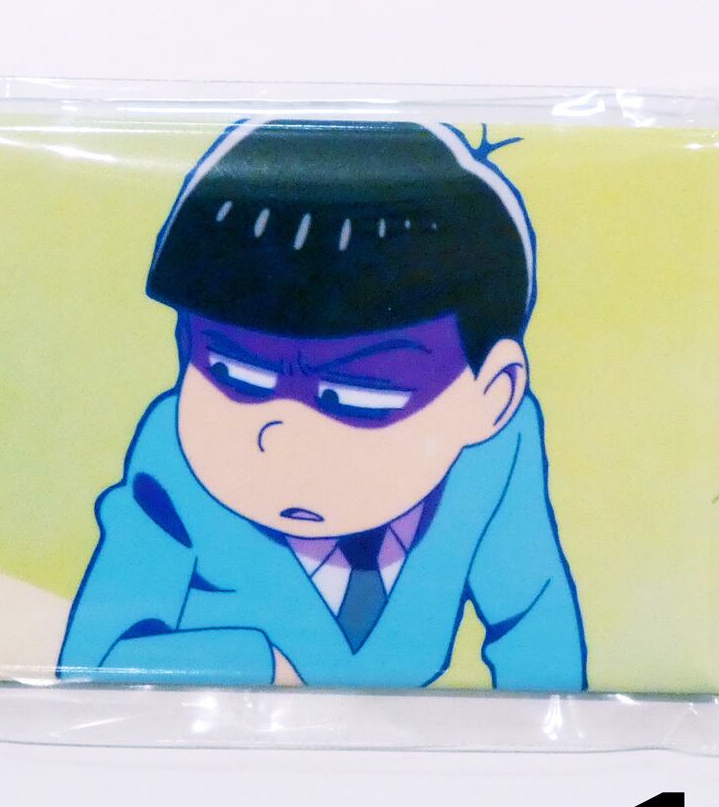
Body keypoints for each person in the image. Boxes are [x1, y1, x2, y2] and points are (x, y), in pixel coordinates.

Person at [57, 118, 586, 690]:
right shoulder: (171, 460)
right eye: (235, 374)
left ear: (493, 395)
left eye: (363, 397)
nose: (284, 440)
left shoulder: (497, 450)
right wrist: (259, 664)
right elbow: (95, 661)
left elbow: (532, 617)